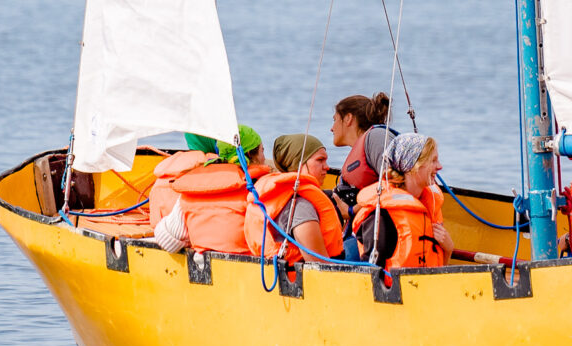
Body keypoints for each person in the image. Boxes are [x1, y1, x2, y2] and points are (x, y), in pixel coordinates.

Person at [352, 134, 502, 271]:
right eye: (433, 161)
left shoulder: (428, 206)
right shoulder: (382, 215)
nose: (440, 166)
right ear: (414, 166)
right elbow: (370, 276)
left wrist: (448, 249)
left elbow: (437, 272)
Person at [148, 128, 270, 255]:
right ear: (249, 154)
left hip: (203, 255)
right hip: (246, 260)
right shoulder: (258, 189)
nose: (265, 157)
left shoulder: (194, 186)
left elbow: (166, 240)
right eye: (262, 151)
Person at [244, 134, 344, 263]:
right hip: (300, 280)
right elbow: (319, 267)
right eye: (320, 160)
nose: (327, 167)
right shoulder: (301, 207)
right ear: (299, 164)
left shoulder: (274, 196)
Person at [330, 93, 393, 212]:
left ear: (348, 118)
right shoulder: (361, 147)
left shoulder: (376, 137)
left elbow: (394, 183)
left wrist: (352, 211)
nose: (332, 128)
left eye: (335, 120)